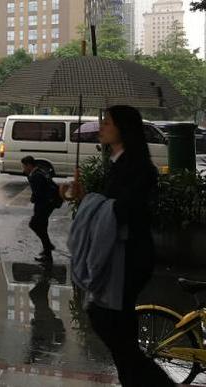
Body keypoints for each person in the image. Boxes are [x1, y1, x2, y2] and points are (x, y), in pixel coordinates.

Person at [67, 105, 173, 386]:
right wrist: (86, 196)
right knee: (120, 331)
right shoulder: (118, 162)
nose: (101, 127)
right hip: (121, 255)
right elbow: (109, 206)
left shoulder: (139, 168)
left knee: (107, 320)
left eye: (108, 123)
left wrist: (91, 201)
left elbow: (123, 209)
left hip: (131, 258)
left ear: (124, 129)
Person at [22, 156, 59, 263]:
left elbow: (39, 193)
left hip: (44, 204)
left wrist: (33, 198)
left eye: (24, 166)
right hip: (49, 204)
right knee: (42, 227)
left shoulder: (36, 176)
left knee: (34, 224)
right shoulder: (40, 172)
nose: (23, 169)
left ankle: (48, 247)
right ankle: (47, 252)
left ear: (29, 165)